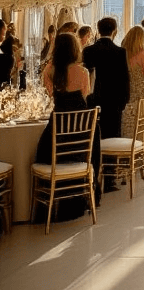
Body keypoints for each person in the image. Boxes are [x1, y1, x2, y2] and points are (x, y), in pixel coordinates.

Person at [36, 32, 101, 214]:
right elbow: (84, 98)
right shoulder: (83, 72)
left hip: (56, 137)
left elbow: (48, 96)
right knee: (95, 137)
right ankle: (90, 189)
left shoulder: (49, 71)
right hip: (80, 137)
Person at [83, 16, 130, 138]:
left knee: (93, 135)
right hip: (114, 100)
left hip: (93, 99)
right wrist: (124, 100)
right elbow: (124, 78)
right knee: (113, 136)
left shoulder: (88, 51)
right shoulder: (120, 52)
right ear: (114, 30)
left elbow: (85, 77)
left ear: (98, 30)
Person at [120, 25, 144, 140]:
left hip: (128, 94)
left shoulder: (123, 54)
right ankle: (140, 146)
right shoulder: (143, 55)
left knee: (128, 125)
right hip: (143, 94)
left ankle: (129, 146)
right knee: (142, 126)